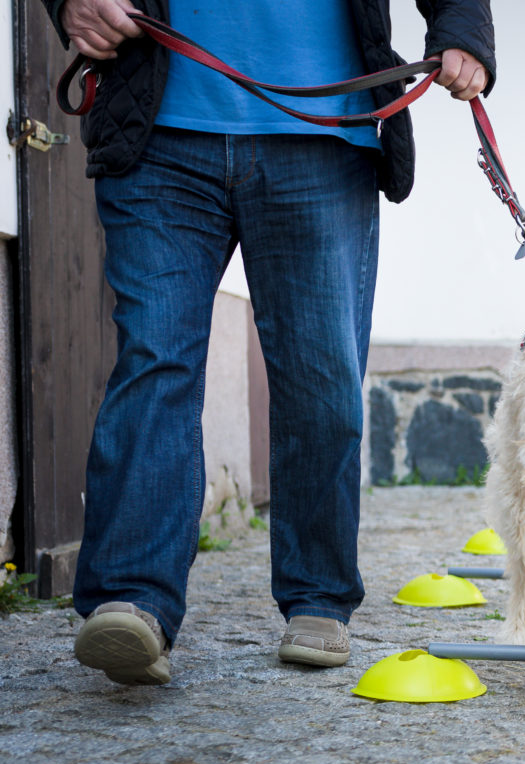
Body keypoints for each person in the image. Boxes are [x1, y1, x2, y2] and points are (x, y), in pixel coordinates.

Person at [44, 0, 495, 685]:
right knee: (154, 359)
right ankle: (132, 599)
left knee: (322, 379)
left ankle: (318, 597)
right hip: (157, 129)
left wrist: (463, 33)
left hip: (324, 133)